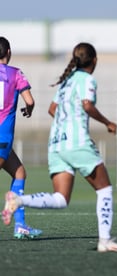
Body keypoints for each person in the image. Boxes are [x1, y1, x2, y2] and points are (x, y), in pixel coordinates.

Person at [2, 42, 117, 252]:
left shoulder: (66, 82)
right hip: (75, 142)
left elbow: (52, 109)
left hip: (56, 144)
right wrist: (108, 123)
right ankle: (105, 240)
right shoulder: (87, 79)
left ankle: (18, 199)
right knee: (104, 188)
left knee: (61, 198)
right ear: (94, 60)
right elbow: (87, 105)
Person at [0, 37, 43, 239]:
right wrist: (29, 109)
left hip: (4, 143)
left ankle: (21, 225)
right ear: (8, 51)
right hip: (2, 136)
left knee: (20, 173)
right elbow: (30, 100)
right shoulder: (16, 73)